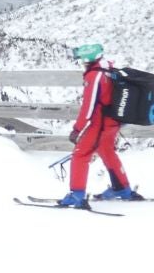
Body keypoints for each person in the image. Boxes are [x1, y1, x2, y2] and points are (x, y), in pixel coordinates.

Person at [57, 42, 141, 206]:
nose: (81, 61)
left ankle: (77, 195)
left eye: (81, 58)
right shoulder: (109, 69)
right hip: (112, 122)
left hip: (100, 124)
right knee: (106, 151)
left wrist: (77, 129)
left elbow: (89, 106)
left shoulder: (94, 76)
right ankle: (122, 188)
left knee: (81, 154)